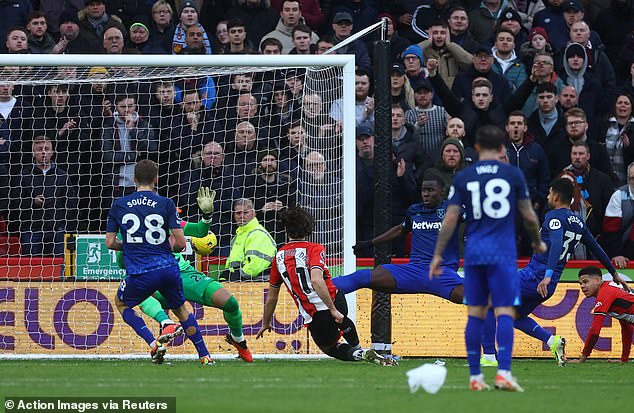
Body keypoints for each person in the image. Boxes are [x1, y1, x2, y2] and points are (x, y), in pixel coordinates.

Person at [430, 125, 546, 392]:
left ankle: (475, 377)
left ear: (477, 148)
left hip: (474, 253)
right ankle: (503, 372)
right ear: (502, 148)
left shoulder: (464, 176)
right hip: (503, 253)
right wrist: (537, 242)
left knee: (476, 313)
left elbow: (449, 219)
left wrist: (438, 253)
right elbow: (529, 216)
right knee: (504, 310)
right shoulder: (512, 174)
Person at [480, 178, 623, 367]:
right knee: (515, 316)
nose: (547, 196)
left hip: (536, 277)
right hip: (550, 284)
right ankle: (551, 341)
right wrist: (613, 273)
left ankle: (489, 356)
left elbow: (556, 244)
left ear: (555, 196)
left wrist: (546, 275)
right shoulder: (578, 221)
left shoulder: (553, 217)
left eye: (549, 193)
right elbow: (596, 248)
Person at [117, 187, 253, 362]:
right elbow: (121, 260)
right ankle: (171, 328)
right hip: (152, 277)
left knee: (230, 303)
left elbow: (199, 231)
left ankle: (238, 340)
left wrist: (207, 215)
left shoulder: (166, 218)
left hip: (181, 273)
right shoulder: (128, 226)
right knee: (138, 293)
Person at [255, 205, 395, 366]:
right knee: (342, 321)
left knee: (330, 347)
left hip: (315, 313)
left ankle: (362, 354)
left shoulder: (278, 257)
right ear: (309, 229)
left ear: (286, 229)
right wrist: (334, 309)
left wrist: (266, 322)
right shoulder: (316, 249)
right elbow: (316, 279)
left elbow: (273, 296)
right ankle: (363, 350)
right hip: (336, 298)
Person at [105, 159, 213, 364]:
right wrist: (161, 247)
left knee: (121, 302)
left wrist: (134, 245)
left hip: (141, 272)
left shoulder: (119, 205)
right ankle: (205, 356)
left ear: (134, 179)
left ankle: (153, 343)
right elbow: (181, 244)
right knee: (182, 310)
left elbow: (110, 243)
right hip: (168, 269)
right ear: (156, 179)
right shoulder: (166, 204)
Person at [334, 174, 464, 303]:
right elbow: (401, 229)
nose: (425, 194)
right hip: (413, 271)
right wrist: (370, 243)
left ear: (442, 192)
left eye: (430, 190)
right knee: (362, 276)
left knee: (477, 297)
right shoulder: (414, 211)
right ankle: (320, 289)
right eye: (423, 190)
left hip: (442, 273)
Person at [8, 135, 78, 256]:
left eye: (46, 149)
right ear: (33, 152)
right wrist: (32, 202)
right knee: (32, 269)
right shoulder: (24, 175)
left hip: (57, 231)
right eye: (39, 149)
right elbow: (13, 203)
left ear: (52, 152)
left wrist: (64, 226)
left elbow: (71, 204)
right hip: (31, 230)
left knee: (58, 268)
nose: (43, 152)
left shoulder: (62, 176)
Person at [569, 266, 633, 363]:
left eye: (585, 282)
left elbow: (595, 331)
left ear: (598, 280)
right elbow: (627, 327)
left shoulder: (604, 293)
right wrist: (624, 359)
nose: (582, 286)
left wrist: (583, 358)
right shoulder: (612, 288)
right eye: (580, 283)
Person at [224, 198, 277, 281]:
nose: (241, 216)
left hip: (259, 282)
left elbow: (255, 266)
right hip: (241, 282)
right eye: (238, 213)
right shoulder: (237, 236)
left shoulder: (258, 234)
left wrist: (236, 276)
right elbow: (232, 263)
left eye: (245, 212)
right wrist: (225, 275)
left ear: (254, 213)